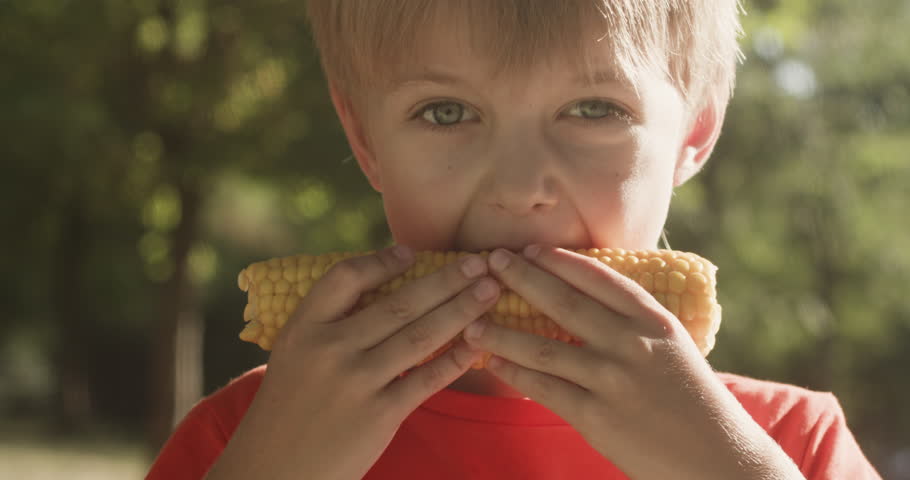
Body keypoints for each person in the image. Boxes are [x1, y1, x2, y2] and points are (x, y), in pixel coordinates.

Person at [146, 1, 882, 479]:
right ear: (364, 139)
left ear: (693, 133)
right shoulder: (252, 438)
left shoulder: (793, 445)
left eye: (593, 107)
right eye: (445, 112)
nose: (519, 185)